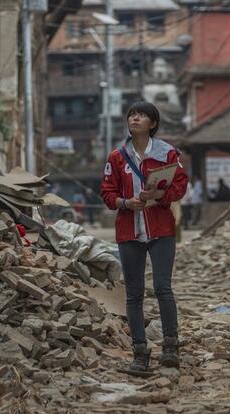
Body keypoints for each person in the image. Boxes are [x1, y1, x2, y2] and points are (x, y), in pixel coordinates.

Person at [100, 101, 188, 372]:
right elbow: (107, 192)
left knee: (163, 288)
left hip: (161, 229)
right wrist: (125, 203)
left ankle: (171, 347)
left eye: (141, 115)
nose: (134, 118)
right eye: (131, 115)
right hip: (129, 231)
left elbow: (181, 185)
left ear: (153, 123)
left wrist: (160, 196)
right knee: (134, 295)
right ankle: (140, 353)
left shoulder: (168, 153)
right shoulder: (116, 157)